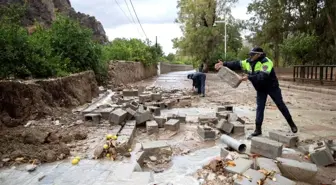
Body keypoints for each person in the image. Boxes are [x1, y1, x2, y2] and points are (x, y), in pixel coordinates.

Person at [214, 47, 298, 138]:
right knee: (260, 108)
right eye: (250, 54)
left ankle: (292, 124)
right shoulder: (248, 62)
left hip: (272, 88)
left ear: (259, 54)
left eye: (252, 54)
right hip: (260, 89)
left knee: (280, 105)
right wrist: (224, 64)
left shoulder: (266, 62)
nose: (250, 56)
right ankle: (258, 129)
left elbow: (262, 77)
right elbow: (237, 64)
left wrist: (249, 77)